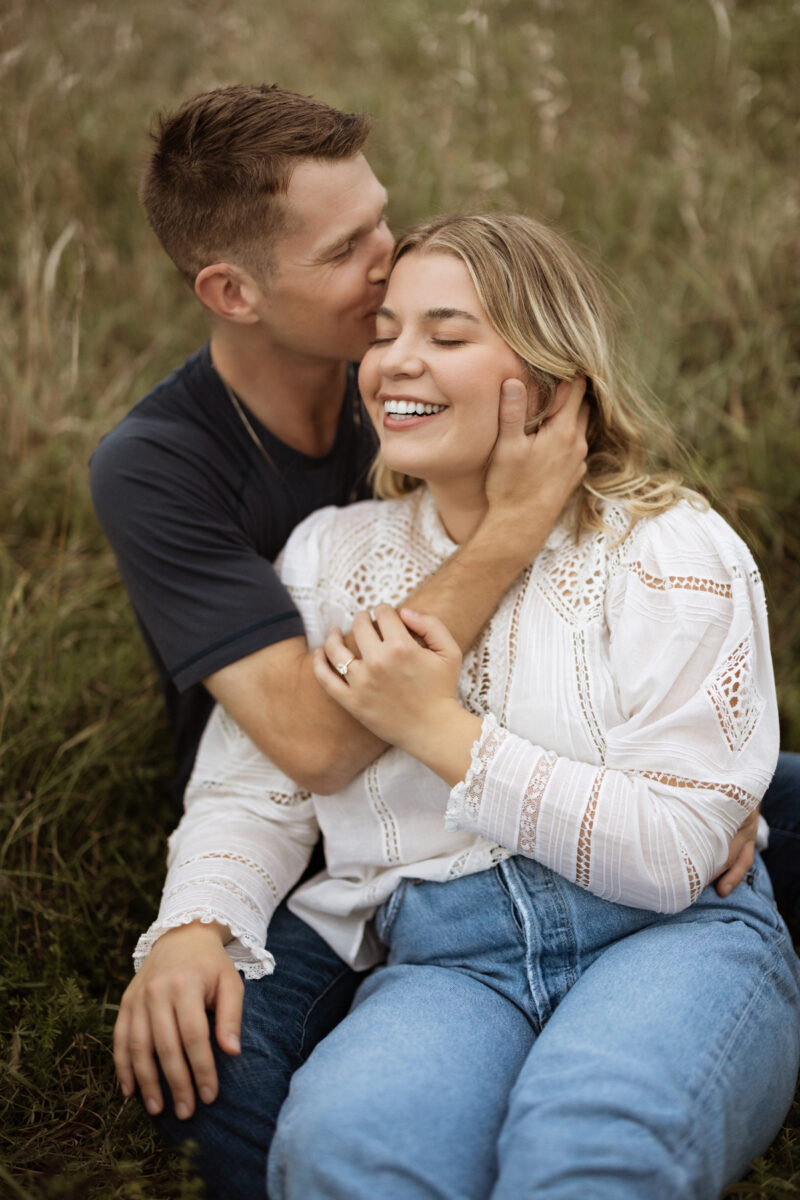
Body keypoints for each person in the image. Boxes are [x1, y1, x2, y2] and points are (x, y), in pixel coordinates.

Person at [94, 84, 800, 1197]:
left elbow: (670, 855)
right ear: (234, 293)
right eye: (379, 321)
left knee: (589, 1142)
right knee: (336, 1152)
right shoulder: (299, 535)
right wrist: (195, 921)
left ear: (548, 375)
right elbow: (273, 778)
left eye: (442, 329)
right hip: (424, 928)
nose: (389, 329)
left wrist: (686, 797)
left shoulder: (667, 545)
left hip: (649, 922)